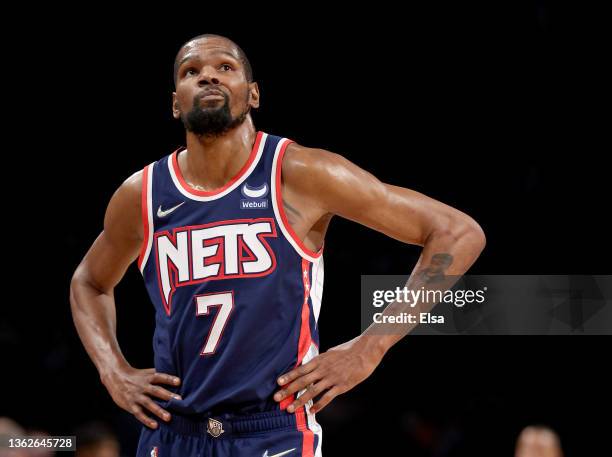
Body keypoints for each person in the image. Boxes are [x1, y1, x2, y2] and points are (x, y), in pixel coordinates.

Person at [69, 33, 485, 457]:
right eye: (191, 71)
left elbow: (457, 231)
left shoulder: (300, 173)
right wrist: (112, 369)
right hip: (173, 432)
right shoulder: (143, 194)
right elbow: (89, 282)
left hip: (272, 430)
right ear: (176, 102)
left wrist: (369, 347)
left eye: (225, 67)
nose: (208, 75)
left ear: (253, 94)